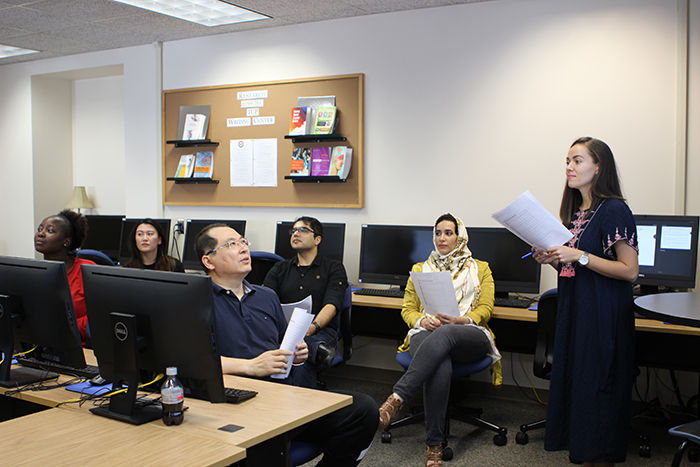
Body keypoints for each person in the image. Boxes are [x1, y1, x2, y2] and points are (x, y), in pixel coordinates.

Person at [194, 223, 378, 466]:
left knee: (363, 410)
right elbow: (190, 364)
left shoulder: (265, 296)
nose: (243, 248)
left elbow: (284, 345)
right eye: (231, 244)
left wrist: (297, 353)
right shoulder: (195, 301)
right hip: (237, 406)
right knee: (264, 446)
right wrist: (250, 366)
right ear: (209, 262)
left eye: (243, 241)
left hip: (282, 400)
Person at [532, 137, 638, 466]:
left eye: (577, 160)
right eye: (567, 160)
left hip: (602, 318)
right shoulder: (577, 212)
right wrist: (551, 259)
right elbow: (575, 268)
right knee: (579, 394)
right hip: (575, 314)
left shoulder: (613, 209)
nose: (569, 167)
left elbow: (629, 270)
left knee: (598, 396)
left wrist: (578, 255)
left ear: (599, 166)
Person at [376, 213, 502, 467]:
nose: (442, 238)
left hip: (468, 335)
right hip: (428, 334)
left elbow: (486, 308)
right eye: (437, 232)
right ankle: (434, 446)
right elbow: (408, 309)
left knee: (445, 333)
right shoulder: (420, 269)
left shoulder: (481, 268)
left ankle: (398, 397)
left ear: (460, 236)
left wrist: (459, 321)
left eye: (448, 232)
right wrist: (422, 321)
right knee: (439, 362)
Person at [263, 216, 347, 389]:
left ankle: (304, 413)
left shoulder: (333, 268)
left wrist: (313, 327)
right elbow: (265, 300)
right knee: (296, 351)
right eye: (293, 230)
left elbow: (332, 304)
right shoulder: (279, 268)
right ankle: (318, 350)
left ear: (318, 239)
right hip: (285, 330)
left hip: (320, 331)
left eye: (303, 230)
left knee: (301, 361)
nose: (296, 234)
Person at [34, 209, 95, 344]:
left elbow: (99, 314)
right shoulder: (33, 273)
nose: (40, 234)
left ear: (66, 242)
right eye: (40, 229)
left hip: (80, 347)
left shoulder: (85, 270)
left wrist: (68, 331)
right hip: (41, 346)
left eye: (50, 231)